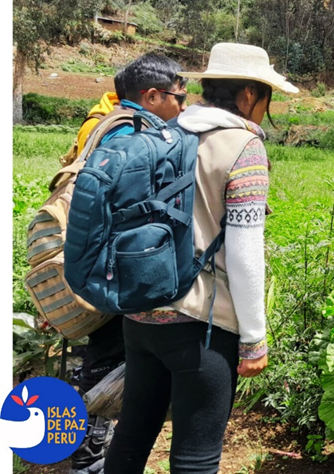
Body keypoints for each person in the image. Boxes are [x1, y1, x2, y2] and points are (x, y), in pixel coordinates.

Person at [105, 42, 296, 473]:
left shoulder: (160, 132)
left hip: (141, 312)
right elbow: (246, 252)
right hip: (202, 326)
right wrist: (253, 338)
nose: (266, 109)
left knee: (133, 436)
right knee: (196, 456)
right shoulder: (243, 148)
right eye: (267, 98)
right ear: (249, 95)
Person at [70, 53, 187, 474]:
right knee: (103, 359)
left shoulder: (104, 121)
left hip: (97, 260)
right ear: (152, 96)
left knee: (102, 358)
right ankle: (88, 460)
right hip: (113, 266)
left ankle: (92, 454)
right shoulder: (127, 131)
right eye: (178, 97)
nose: (183, 106)